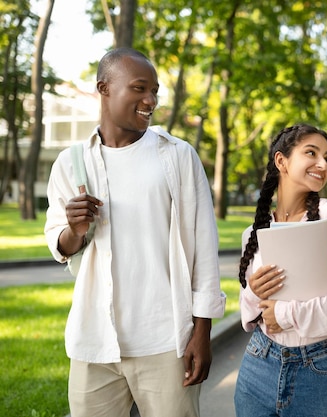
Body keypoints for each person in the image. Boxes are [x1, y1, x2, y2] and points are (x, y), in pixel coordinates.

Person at [44, 47, 225, 417]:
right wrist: (75, 230)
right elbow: (59, 244)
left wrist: (202, 332)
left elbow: (204, 247)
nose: (151, 100)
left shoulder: (176, 156)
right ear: (104, 88)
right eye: (140, 88)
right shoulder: (70, 163)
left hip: (165, 340)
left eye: (155, 91)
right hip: (94, 341)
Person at [234, 123, 327, 416]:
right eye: (311, 153)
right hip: (258, 362)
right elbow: (248, 313)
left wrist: (285, 314)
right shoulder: (253, 233)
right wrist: (253, 292)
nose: (322, 164)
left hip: (317, 368)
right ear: (281, 160)